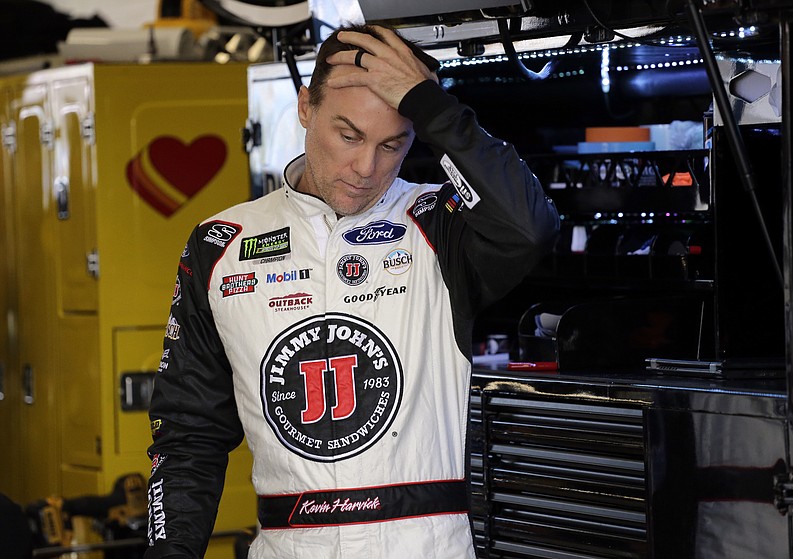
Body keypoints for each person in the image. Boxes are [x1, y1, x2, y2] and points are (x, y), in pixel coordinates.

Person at [145, 23, 559, 559]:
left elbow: (531, 229)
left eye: (393, 145)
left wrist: (433, 106)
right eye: (349, 135)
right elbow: (188, 430)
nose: (367, 168)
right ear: (304, 108)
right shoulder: (221, 244)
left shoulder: (438, 223)